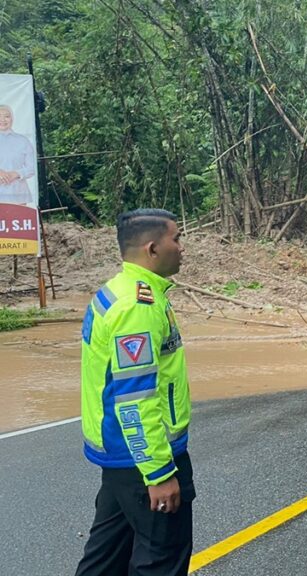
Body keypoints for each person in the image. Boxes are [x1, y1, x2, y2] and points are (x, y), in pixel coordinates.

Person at [76, 209, 194, 576]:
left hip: (120, 456)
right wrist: (158, 473)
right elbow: (135, 397)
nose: (182, 248)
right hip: (141, 460)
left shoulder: (119, 291)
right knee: (161, 559)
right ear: (152, 248)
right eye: (176, 239)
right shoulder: (137, 308)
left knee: (106, 558)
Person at [0, 104, 37, 205]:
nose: (3, 120)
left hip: (18, 194)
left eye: (6, 116)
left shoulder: (23, 141)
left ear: (12, 119)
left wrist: (16, 174)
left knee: (18, 219)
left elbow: (32, 167)